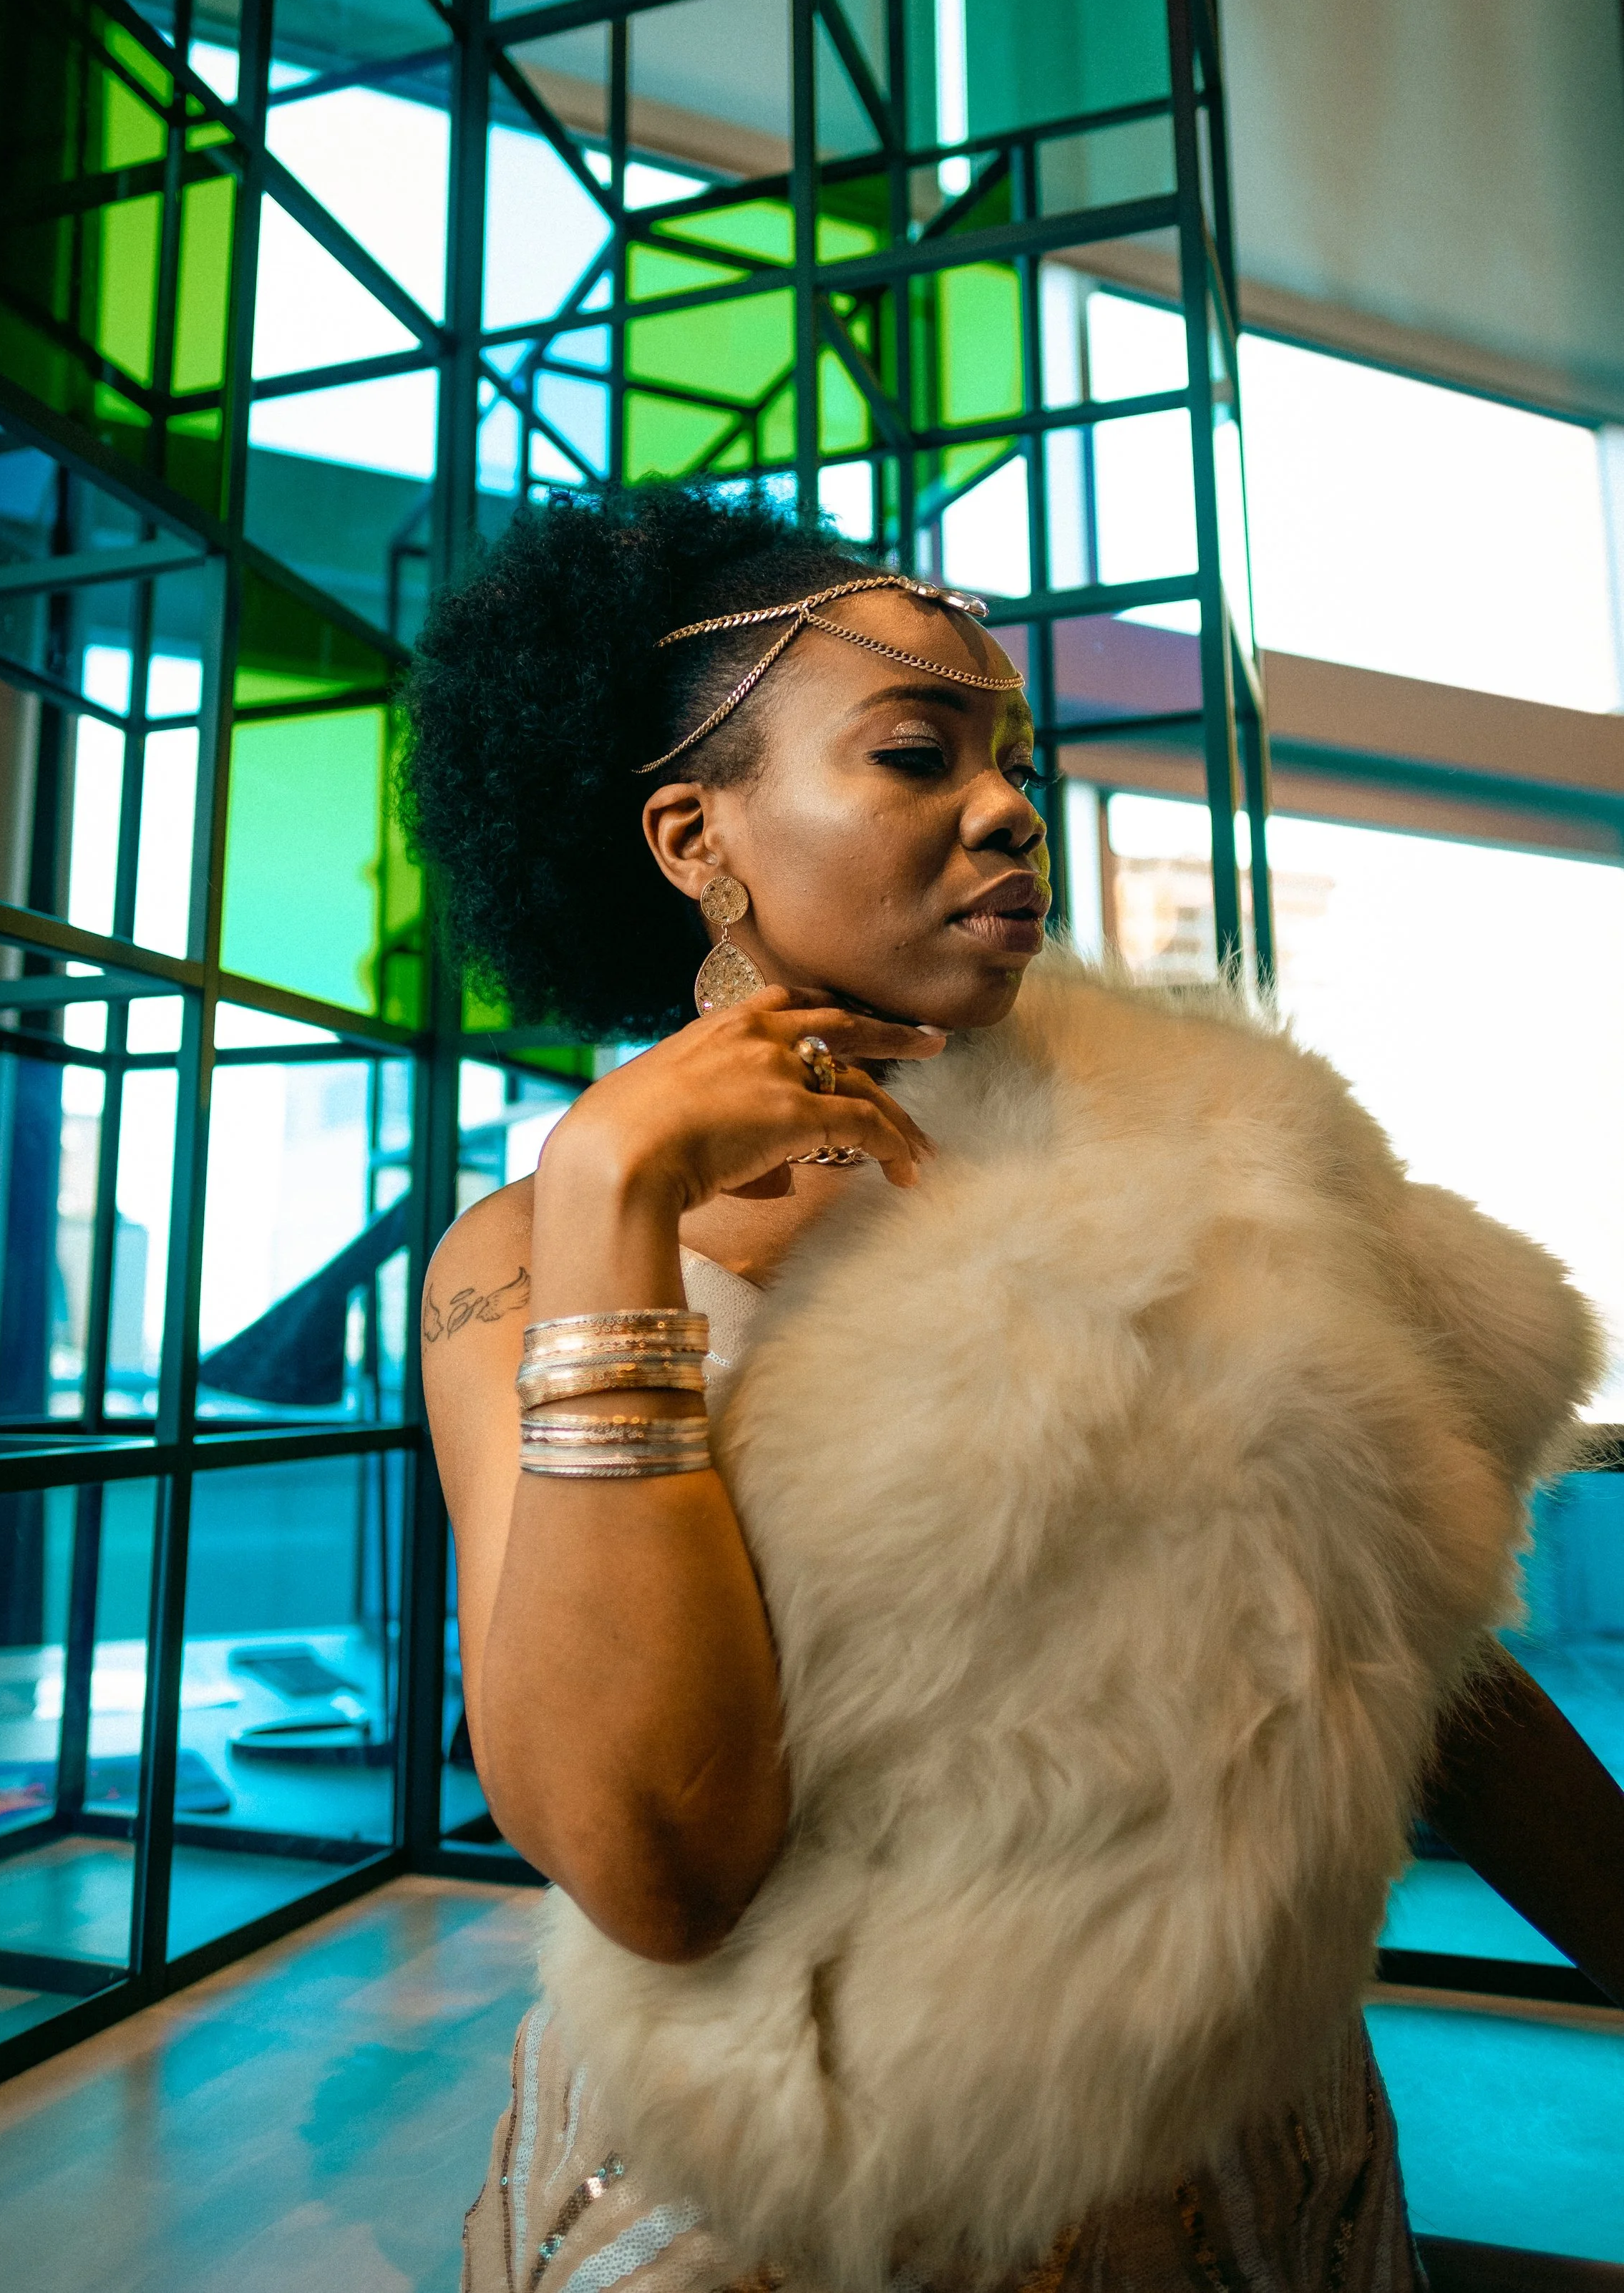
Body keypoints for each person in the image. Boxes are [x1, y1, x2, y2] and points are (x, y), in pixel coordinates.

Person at [405, 485, 1624, 2293]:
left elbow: (1394, 1631)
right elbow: (654, 1868)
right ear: (692, 836)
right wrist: (610, 1209)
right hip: (775, 2184)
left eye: (1012, 761)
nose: (1005, 808)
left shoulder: (1215, 1152)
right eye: (915, 753)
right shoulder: (521, 1258)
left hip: (1224, 2144)